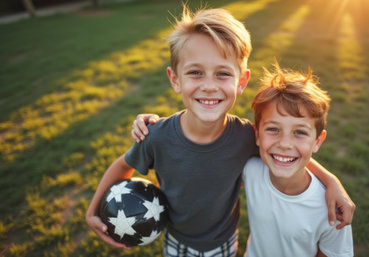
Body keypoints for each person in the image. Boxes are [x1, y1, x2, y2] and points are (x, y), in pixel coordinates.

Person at [87, 6, 354, 256]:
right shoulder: (156, 136)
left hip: (224, 243)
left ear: (242, 81)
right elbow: (122, 165)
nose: (210, 86)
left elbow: (285, 148)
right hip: (176, 241)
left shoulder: (245, 136)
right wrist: (92, 211)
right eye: (195, 73)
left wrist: (332, 182)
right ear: (174, 79)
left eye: (223, 74)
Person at [242, 64, 353, 256]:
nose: (285, 144)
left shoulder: (331, 208)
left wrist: (330, 182)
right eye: (273, 129)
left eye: (300, 132)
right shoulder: (249, 169)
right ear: (257, 134)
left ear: (317, 141)